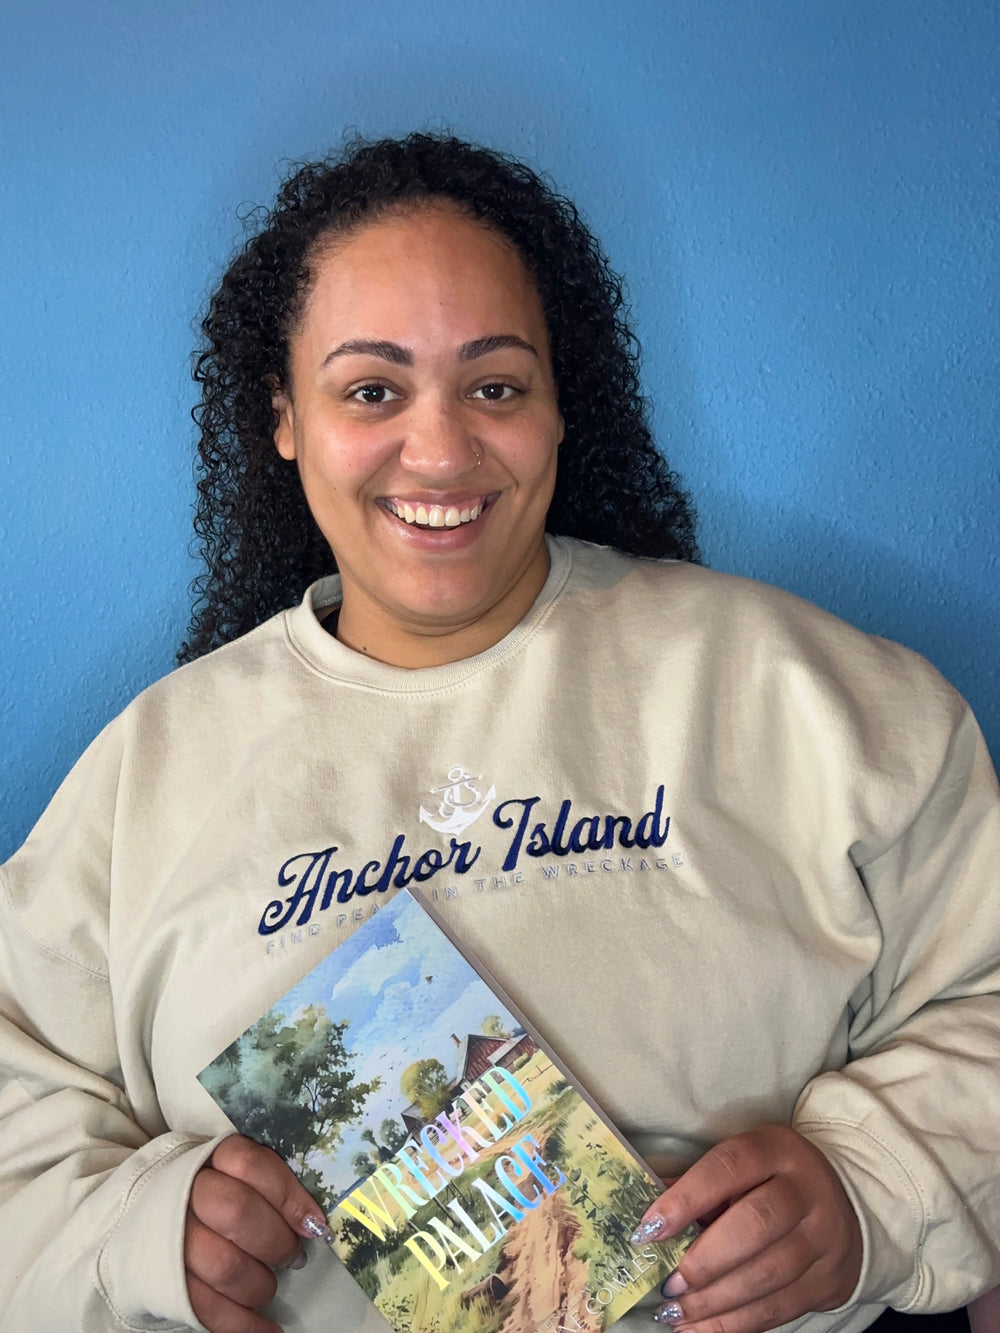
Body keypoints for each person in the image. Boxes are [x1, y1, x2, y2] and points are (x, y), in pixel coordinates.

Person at [0, 132, 997, 1333]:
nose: (439, 451)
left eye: (496, 386)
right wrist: (141, 1230)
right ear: (283, 416)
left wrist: (870, 1188)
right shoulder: (149, 774)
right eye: (371, 390)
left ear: (560, 405)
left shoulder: (810, 695)